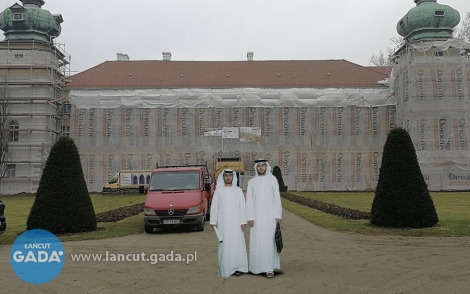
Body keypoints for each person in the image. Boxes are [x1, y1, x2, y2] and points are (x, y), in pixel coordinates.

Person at [246, 158, 282, 278]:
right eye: (259, 166)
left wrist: (278, 215)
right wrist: (249, 216)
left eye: (263, 165)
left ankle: (269, 268)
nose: (261, 167)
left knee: (268, 241)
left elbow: (277, 197)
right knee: (257, 241)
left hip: (270, 216)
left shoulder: (272, 180)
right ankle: (256, 267)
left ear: (266, 166)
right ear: (256, 167)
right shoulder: (251, 182)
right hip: (255, 217)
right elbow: (249, 201)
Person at [210, 169, 248, 277]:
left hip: (236, 223)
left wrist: (243, 221)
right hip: (223, 224)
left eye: (230, 175)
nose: (228, 177)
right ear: (223, 177)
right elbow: (214, 207)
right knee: (225, 246)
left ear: (233, 177)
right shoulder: (219, 191)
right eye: (226, 175)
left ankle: (238, 267)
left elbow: (242, 207)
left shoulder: (238, 190)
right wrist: (213, 221)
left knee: (237, 245)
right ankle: (226, 269)